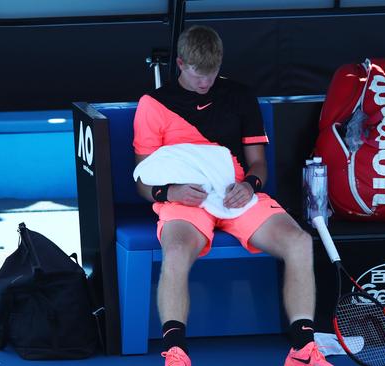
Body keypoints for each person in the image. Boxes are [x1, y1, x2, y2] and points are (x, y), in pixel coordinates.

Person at [133, 25, 330, 366]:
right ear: (180, 63)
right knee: (177, 249)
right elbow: (142, 180)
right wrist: (172, 191)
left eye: (211, 74)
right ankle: (177, 352)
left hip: (235, 197)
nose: (205, 82)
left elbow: (258, 164)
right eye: (197, 74)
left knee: (299, 241)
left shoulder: (240, 96)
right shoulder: (153, 104)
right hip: (185, 200)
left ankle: (302, 350)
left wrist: (249, 185)